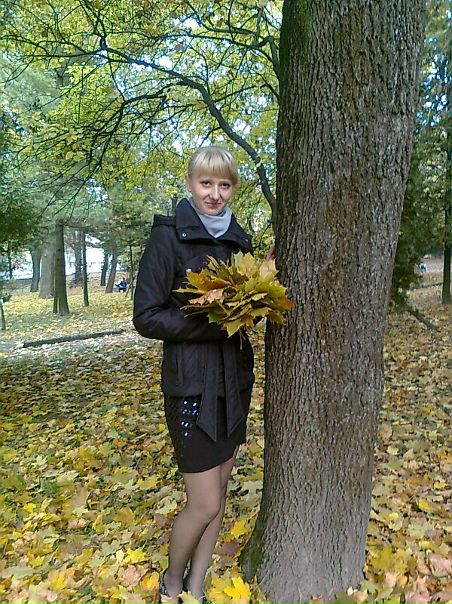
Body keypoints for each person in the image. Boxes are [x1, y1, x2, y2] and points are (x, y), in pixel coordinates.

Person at [133, 146, 255, 604]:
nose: (215, 194)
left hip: (234, 384)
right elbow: (146, 316)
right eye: (206, 183)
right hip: (190, 387)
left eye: (224, 185)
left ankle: (196, 587)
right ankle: (171, 583)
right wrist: (209, 323)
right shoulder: (168, 238)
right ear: (190, 184)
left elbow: (245, 311)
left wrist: (252, 306)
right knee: (203, 503)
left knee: (218, 494)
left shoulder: (239, 243)